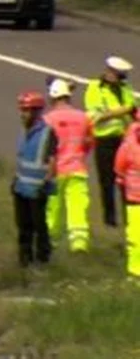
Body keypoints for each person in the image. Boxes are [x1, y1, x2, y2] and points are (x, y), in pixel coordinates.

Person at [43, 79, 95, 253]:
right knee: (78, 207)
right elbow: (89, 142)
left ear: (52, 97)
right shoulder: (83, 117)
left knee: (52, 209)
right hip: (77, 170)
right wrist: (79, 155)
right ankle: (79, 243)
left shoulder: (47, 119)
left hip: (55, 172)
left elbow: (43, 147)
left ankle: (50, 242)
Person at [85, 56, 136, 227]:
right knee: (106, 181)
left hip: (124, 140)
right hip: (104, 139)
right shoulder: (95, 88)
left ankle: (129, 216)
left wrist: (124, 111)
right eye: (119, 75)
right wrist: (122, 111)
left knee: (127, 181)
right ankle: (110, 218)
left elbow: (132, 108)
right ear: (109, 72)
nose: (121, 79)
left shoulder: (125, 89)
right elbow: (96, 116)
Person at [14, 90, 58, 267]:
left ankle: (42, 259)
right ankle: (24, 260)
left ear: (37, 111)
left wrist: (46, 182)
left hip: (37, 188)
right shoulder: (25, 132)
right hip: (21, 187)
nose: (23, 114)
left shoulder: (47, 133)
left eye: (27, 110)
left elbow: (53, 161)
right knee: (23, 226)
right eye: (22, 110)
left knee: (39, 226)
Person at [113, 110, 140, 278]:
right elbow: (119, 169)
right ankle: (136, 271)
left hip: (132, 196)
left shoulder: (128, 145)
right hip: (134, 199)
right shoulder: (128, 146)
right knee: (136, 236)